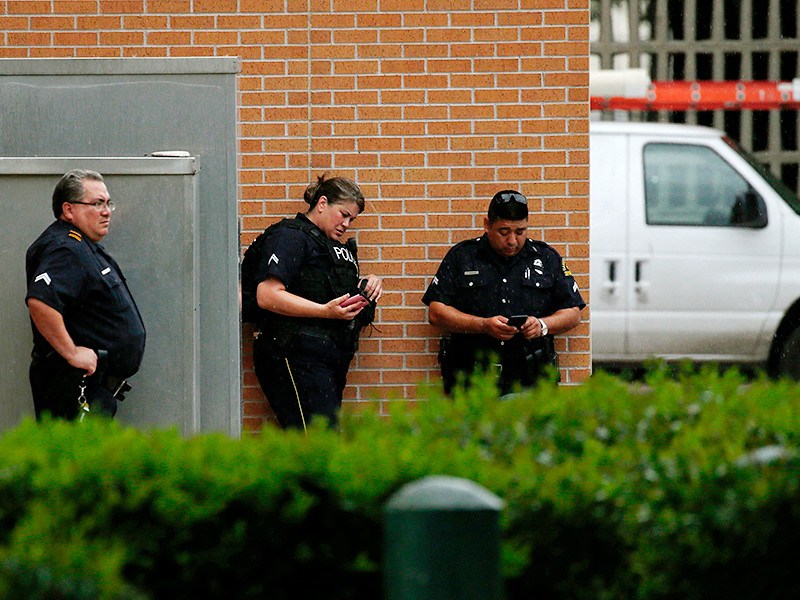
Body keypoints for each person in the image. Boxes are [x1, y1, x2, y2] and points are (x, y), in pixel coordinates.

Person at [250, 174, 382, 430]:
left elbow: (325, 289)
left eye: (352, 220)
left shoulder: (330, 248)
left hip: (327, 357)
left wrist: (368, 284)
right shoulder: (290, 236)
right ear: (322, 203)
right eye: (343, 214)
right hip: (293, 353)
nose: (346, 224)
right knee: (316, 438)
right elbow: (266, 295)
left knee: (320, 438)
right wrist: (324, 311)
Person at [422, 189, 585, 395]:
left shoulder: (546, 258)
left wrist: (542, 325)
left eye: (520, 232)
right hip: (473, 381)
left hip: (531, 382)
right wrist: (483, 325)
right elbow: (436, 312)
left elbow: (573, 313)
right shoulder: (462, 256)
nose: (512, 241)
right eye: (504, 232)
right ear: (487, 225)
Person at [25, 169, 146, 420]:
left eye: (108, 203)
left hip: (92, 390)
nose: (107, 211)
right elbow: (40, 301)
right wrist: (71, 352)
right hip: (74, 388)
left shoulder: (82, 246)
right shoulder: (65, 248)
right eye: (97, 203)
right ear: (69, 210)